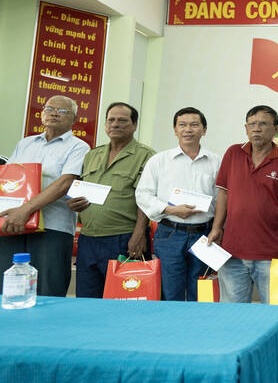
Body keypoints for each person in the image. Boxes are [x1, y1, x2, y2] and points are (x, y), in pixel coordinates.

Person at [208, 105, 278, 303]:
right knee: (233, 312)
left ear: (276, 129)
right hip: (232, 251)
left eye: (263, 124)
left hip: (270, 252)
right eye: (252, 124)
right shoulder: (233, 153)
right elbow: (223, 194)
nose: (256, 128)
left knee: (273, 311)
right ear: (246, 128)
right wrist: (216, 228)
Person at [0, 95, 90, 296]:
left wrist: (25, 210)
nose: (54, 113)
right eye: (49, 109)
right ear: (42, 114)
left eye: (62, 111)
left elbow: (64, 183)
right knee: (9, 286)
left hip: (52, 226)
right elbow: (9, 179)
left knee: (48, 287)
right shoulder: (26, 143)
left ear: (74, 119)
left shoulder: (79, 147)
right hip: (14, 224)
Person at [67, 102, 155, 298]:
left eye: (122, 120)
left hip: (124, 238)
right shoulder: (92, 155)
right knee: (87, 299)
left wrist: (139, 234)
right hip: (88, 238)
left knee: (125, 299)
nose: (115, 124)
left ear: (134, 125)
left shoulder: (147, 156)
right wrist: (73, 203)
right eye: (111, 120)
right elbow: (79, 189)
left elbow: (147, 198)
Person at [135, 107, 221, 301]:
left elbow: (221, 199)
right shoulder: (159, 161)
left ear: (204, 130)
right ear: (175, 130)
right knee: (170, 291)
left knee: (201, 292)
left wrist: (218, 229)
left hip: (204, 234)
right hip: (169, 233)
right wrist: (170, 209)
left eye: (194, 125)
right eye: (182, 125)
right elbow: (142, 194)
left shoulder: (216, 162)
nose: (187, 129)